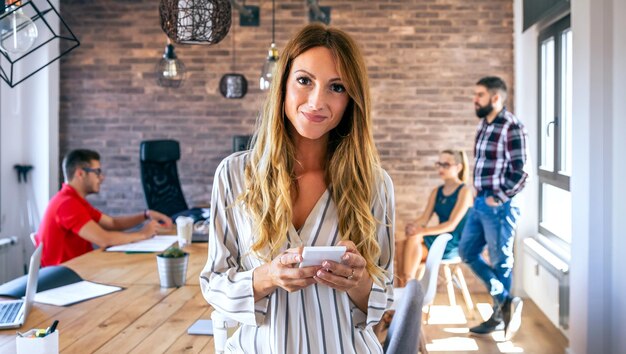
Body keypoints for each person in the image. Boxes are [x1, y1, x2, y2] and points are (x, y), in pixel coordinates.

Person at [200, 23, 394, 353]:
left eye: (337, 87)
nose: (317, 101)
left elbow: (384, 295)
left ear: (351, 99)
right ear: (283, 86)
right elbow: (213, 283)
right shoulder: (234, 175)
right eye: (304, 81)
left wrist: (359, 282)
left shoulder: (373, 183)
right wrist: (267, 277)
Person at [459, 76, 528, 340]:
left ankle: (499, 316)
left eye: (480, 95)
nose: (474, 99)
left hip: (499, 205)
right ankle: (506, 301)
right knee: (467, 251)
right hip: (480, 202)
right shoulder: (484, 125)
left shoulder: (512, 126)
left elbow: (522, 172)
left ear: (496, 98)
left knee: (500, 262)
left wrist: (497, 198)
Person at [36, 149, 173, 267]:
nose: (101, 177)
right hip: (63, 279)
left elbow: (112, 223)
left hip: (80, 269)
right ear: (80, 174)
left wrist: (146, 214)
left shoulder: (75, 200)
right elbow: (104, 239)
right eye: (97, 172)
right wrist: (143, 234)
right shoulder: (66, 204)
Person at [396, 150, 473, 286]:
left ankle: (407, 288)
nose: (441, 168)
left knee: (413, 239)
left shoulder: (464, 191)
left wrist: (420, 231)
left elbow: (451, 225)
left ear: (459, 167)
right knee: (402, 243)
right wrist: (413, 225)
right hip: (437, 238)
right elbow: (424, 218)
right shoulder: (436, 191)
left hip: (452, 242)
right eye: (439, 164)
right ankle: (404, 288)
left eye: (446, 165)